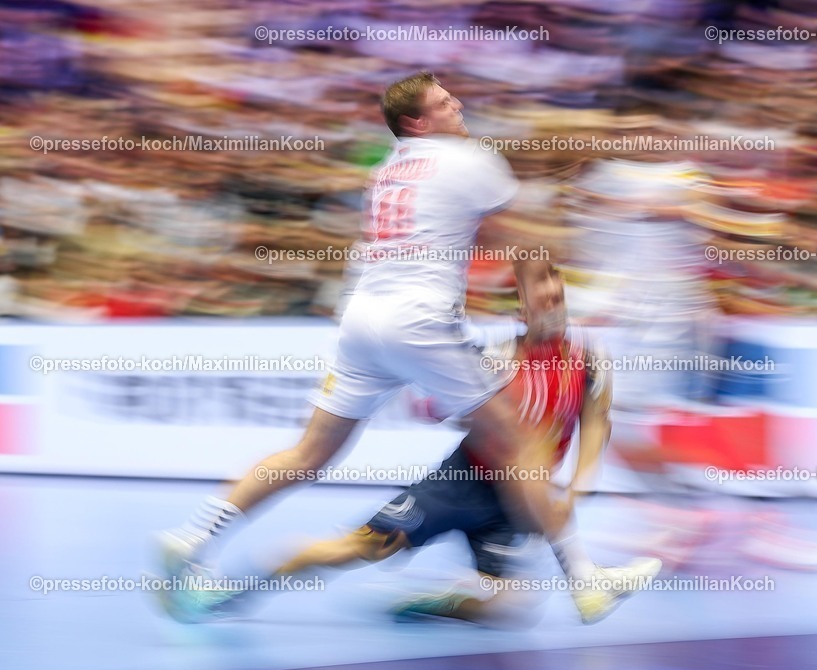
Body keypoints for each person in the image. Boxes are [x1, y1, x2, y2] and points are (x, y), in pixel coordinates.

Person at [156, 72, 593, 618]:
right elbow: (526, 237)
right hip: (420, 319)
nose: (457, 104)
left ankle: (194, 535)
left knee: (307, 454)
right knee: (517, 447)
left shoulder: (387, 167)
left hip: (362, 317)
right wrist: (567, 187)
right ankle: (585, 577)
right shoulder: (470, 159)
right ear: (416, 122)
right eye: (443, 102)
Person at [160, 264, 661, 625]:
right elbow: (438, 406)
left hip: (517, 506)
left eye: (560, 294)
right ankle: (234, 591)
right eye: (544, 295)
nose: (555, 303)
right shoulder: (493, 357)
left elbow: (598, 421)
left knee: (509, 612)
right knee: (358, 549)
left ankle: (437, 603)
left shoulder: (589, 361)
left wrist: (581, 482)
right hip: (462, 483)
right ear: (521, 308)